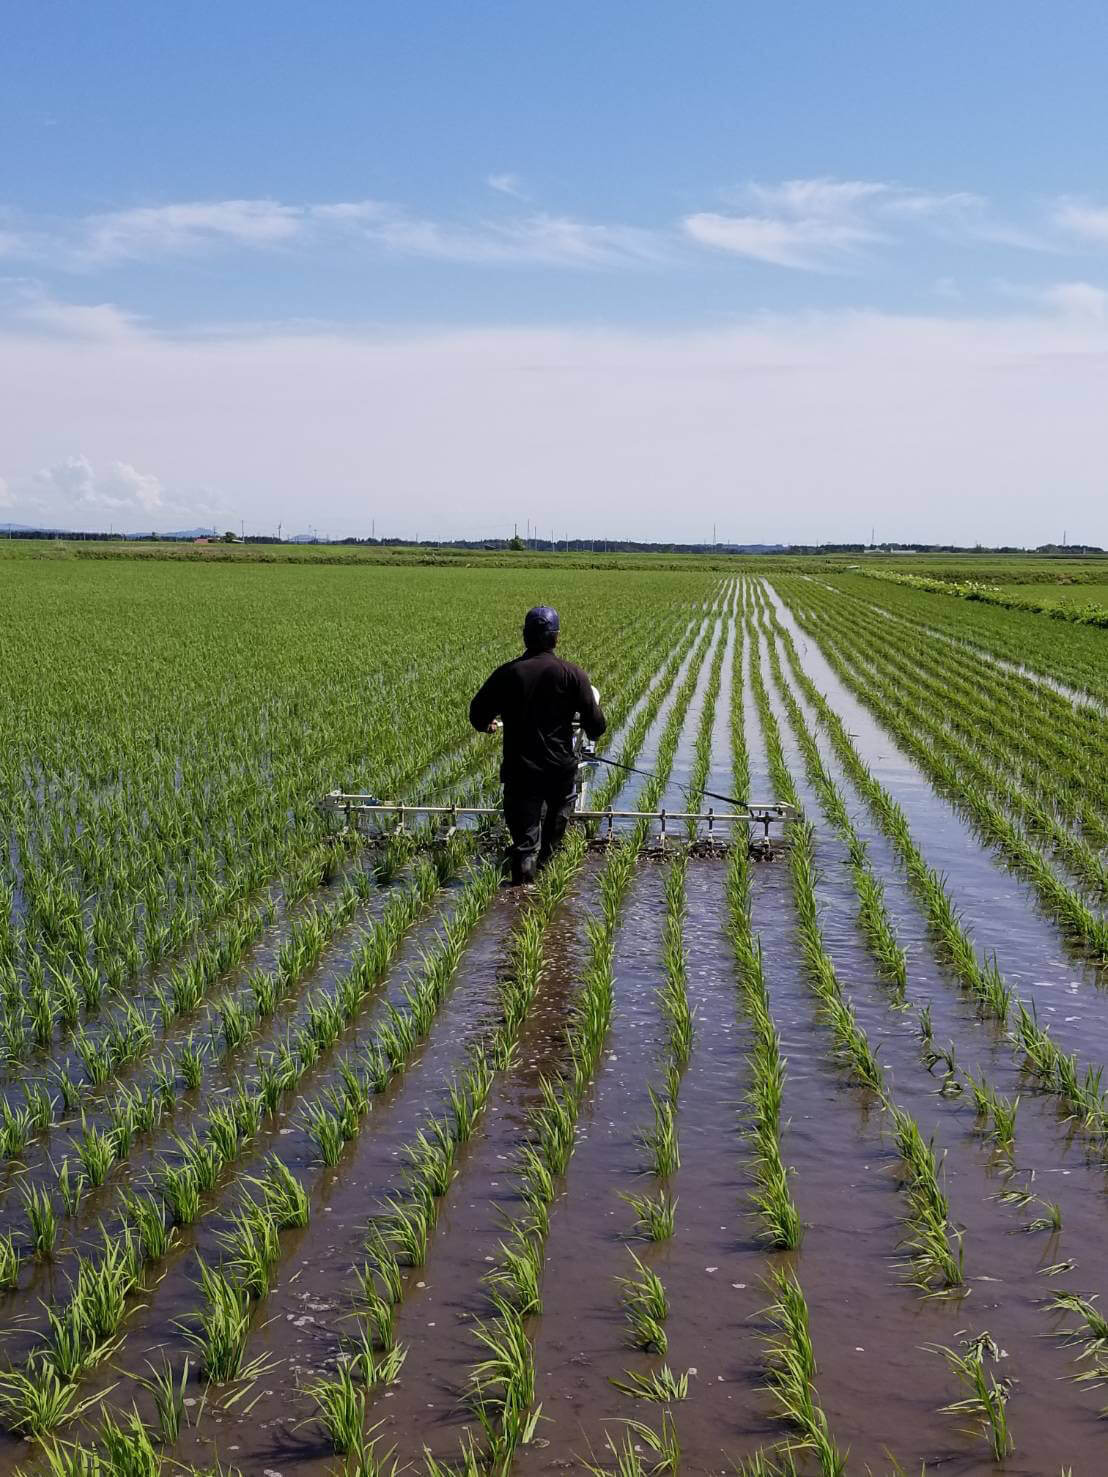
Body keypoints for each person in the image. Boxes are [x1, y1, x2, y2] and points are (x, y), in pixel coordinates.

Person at [469, 605, 606, 885]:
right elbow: (596, 726)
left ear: (525, 636)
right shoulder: (572, 674)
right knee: (551, 843)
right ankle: (545, 899)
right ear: (555, 638)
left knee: (525, 845)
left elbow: (477, 714)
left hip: (521, 773)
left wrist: (488, 724)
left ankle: (521, 901)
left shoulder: (508, 674)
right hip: (560, 772)